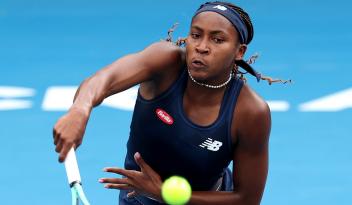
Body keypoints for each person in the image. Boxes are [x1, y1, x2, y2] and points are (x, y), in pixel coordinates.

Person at [53, 1, 273, 204]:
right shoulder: (165, 63)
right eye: (196, 35)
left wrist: (164, 194)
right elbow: (105, 79)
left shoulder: (250, 112)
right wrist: (80, 109)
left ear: (239, 51)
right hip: (137, 200)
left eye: (217, 39)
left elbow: (246, 199)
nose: (202, 47)